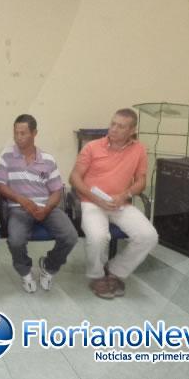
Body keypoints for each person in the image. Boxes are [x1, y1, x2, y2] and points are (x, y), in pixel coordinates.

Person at [69, 108, 158, 299]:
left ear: (132, 130)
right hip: (92, 202)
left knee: (149, 236)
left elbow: (141, 181)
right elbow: (74, 178)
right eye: (113, 124)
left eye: (121, 126)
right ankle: (97, 276)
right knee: (99, 237)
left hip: (120, 203)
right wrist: (96, 199)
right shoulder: (92, 147)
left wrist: (125, 194)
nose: (114, 129)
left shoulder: (139, 149)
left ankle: (116, 271)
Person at [0, 114, 78, 292]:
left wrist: (46, 208)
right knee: (15, 240)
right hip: (19, 208)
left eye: (23, 133)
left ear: (34, 133)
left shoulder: (47, 159)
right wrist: (22, 200)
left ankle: (49, 266)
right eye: (16, 133)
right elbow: (0, 186)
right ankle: (25, 272)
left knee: (70, 236)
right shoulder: (6, 155)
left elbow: (56, 191)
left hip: (45, 206)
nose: (18, 137)